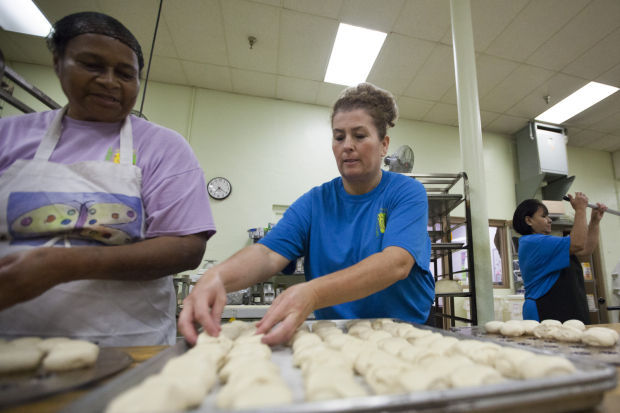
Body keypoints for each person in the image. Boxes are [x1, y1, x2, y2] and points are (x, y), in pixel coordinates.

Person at [0, 12, 216, 346]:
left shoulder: (162, 147)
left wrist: (64, 265)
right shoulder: (9, 136)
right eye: (92, 65)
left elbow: (186, 247)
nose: (109, 81)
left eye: (125, 73)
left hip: (126, 344)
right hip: (9, 339)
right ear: (58, 63)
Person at [179, 83, 434, 346]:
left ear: (384, 145)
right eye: (338, 137)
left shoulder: (405, 192)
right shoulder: (314, 203)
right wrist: (217, 277)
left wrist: (313, 292)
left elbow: (396, 263)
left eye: (359, 136)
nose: (347, 146)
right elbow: (266, 255)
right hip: (336, 335)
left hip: (403, 333)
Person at [512, 193, 607, 324]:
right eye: (543, 216)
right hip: (544, 309)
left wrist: (595, 221)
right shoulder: (533, 242)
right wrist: (580, 210)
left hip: (562, 307)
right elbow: (578, 243)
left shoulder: (547, 243)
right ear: (529, 220)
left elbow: (585, 249)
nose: (549, 220)